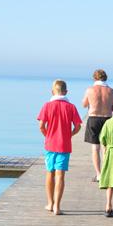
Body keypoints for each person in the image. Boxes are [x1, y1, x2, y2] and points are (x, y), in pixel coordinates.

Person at [37, 80, 82, 215]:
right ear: (66, 92)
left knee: (49, 173)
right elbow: (78, 126)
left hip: (50, 144)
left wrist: (47, 135)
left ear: (52, 92)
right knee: (60, 175)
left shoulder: (47, 106)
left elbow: (41, 126)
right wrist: (70, 135)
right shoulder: (71, 107)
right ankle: (57, 206)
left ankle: (50, 203)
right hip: (64, 145)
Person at [82, 69, 113, 182]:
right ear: (105, 78)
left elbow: (84, 104)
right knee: (106, 148)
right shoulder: (111, 91)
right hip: (107, 119)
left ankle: (99, 175)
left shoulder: (90, 90)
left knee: (95, 148)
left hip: (93, 118)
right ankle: (107, 173)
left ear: (94, 78)